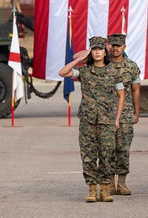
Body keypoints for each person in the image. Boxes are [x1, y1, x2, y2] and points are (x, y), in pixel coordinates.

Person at [59, 36, 125, 203]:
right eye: (94, 49)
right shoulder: (85, 72)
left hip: (107, 120)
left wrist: (117, 118)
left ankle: (105, 189)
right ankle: (92, 189)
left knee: (106, 154)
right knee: (88, 155)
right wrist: (79, 59)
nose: (97, 52)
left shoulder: (114, 72)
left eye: (100, 49)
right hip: (87, 120)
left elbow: (121, 96)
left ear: (105, 52)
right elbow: (63, 72)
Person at [107, 33, 141, 195]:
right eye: (113, 45)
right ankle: (109, 182)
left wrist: (136, 112)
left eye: (118, 46)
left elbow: (136, 90)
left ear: (124, 47)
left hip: (126, 114)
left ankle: (121, 182)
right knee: (107, 148)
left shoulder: (131, 66)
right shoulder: (102, 64)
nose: (115, 48)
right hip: (105, 114)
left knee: (123, 148)